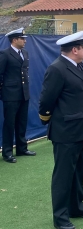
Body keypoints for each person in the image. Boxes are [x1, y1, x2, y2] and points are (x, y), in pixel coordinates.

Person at [39, 31, 83, 229]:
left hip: (82, 129)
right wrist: (46, 117)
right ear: (74, 50)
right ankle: (61, 217)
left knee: (78, 171)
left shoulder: (79, 66)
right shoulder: (57, 69)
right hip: (66, 132)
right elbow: (47, 99)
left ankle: (76, 207)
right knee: (63, 175)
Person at [0, 28, 36, 163]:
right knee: (9, 123)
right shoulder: (5, 54)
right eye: (22, 38)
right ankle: (7, 152)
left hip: (23, 93)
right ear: (14, 40)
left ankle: (22, 148)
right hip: (10, 94)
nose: (25, 40)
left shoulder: (25, 53)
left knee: (22, 122)